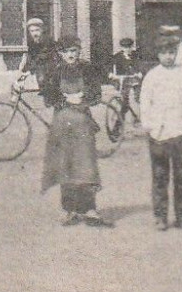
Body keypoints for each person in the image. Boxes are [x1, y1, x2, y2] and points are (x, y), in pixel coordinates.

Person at [38, 36, 112, 227]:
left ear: (79, 51)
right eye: (66, 51)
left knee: (86, 164)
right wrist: (65, 100)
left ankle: (89, 209)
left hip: (83, 122)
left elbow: (96, 94)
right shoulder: (54, 71)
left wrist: (84, 97)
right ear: (61, 53)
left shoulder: (87, 69)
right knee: (66, 164)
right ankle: (70, 210)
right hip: (62, 122)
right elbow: (48, 96)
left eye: (74, 51)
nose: (71, 55)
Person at [138, 31, 182, 231]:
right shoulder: (152, 76)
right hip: (159, 133)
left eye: (171, 52)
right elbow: (145, 104)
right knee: (160, 177)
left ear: (176, 53)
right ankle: (161, 217)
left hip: (180, 131)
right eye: (164, 53)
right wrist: (150, 126)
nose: (168, 56)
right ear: (158, 54)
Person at [109, 37, 141, 122]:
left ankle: (140, 113)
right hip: (122, 80)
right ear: (122, 48)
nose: (127, 49)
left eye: (129, 47)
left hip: (134, 78)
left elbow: (139, 65)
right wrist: (111, 74)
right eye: (125, 47)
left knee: (138, 97)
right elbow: (111, 67)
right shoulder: (117, 56)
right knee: (124, 99)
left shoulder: (135, 55)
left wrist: (139, 72)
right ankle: (121, 119)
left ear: (132, 47)